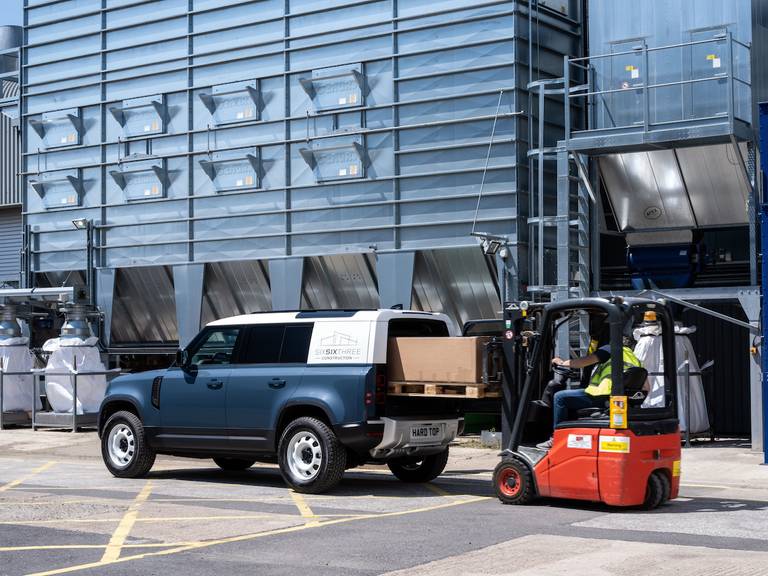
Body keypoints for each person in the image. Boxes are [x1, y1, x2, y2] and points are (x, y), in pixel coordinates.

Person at [537, 339, 642, 450]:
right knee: (573, 395)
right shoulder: (634, 358)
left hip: (602, 395)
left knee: (560, 397)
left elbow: (584, 361)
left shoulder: (611, 348)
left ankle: (556, 439)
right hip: (616, 401)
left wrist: (562, 363)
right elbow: (646, 387)